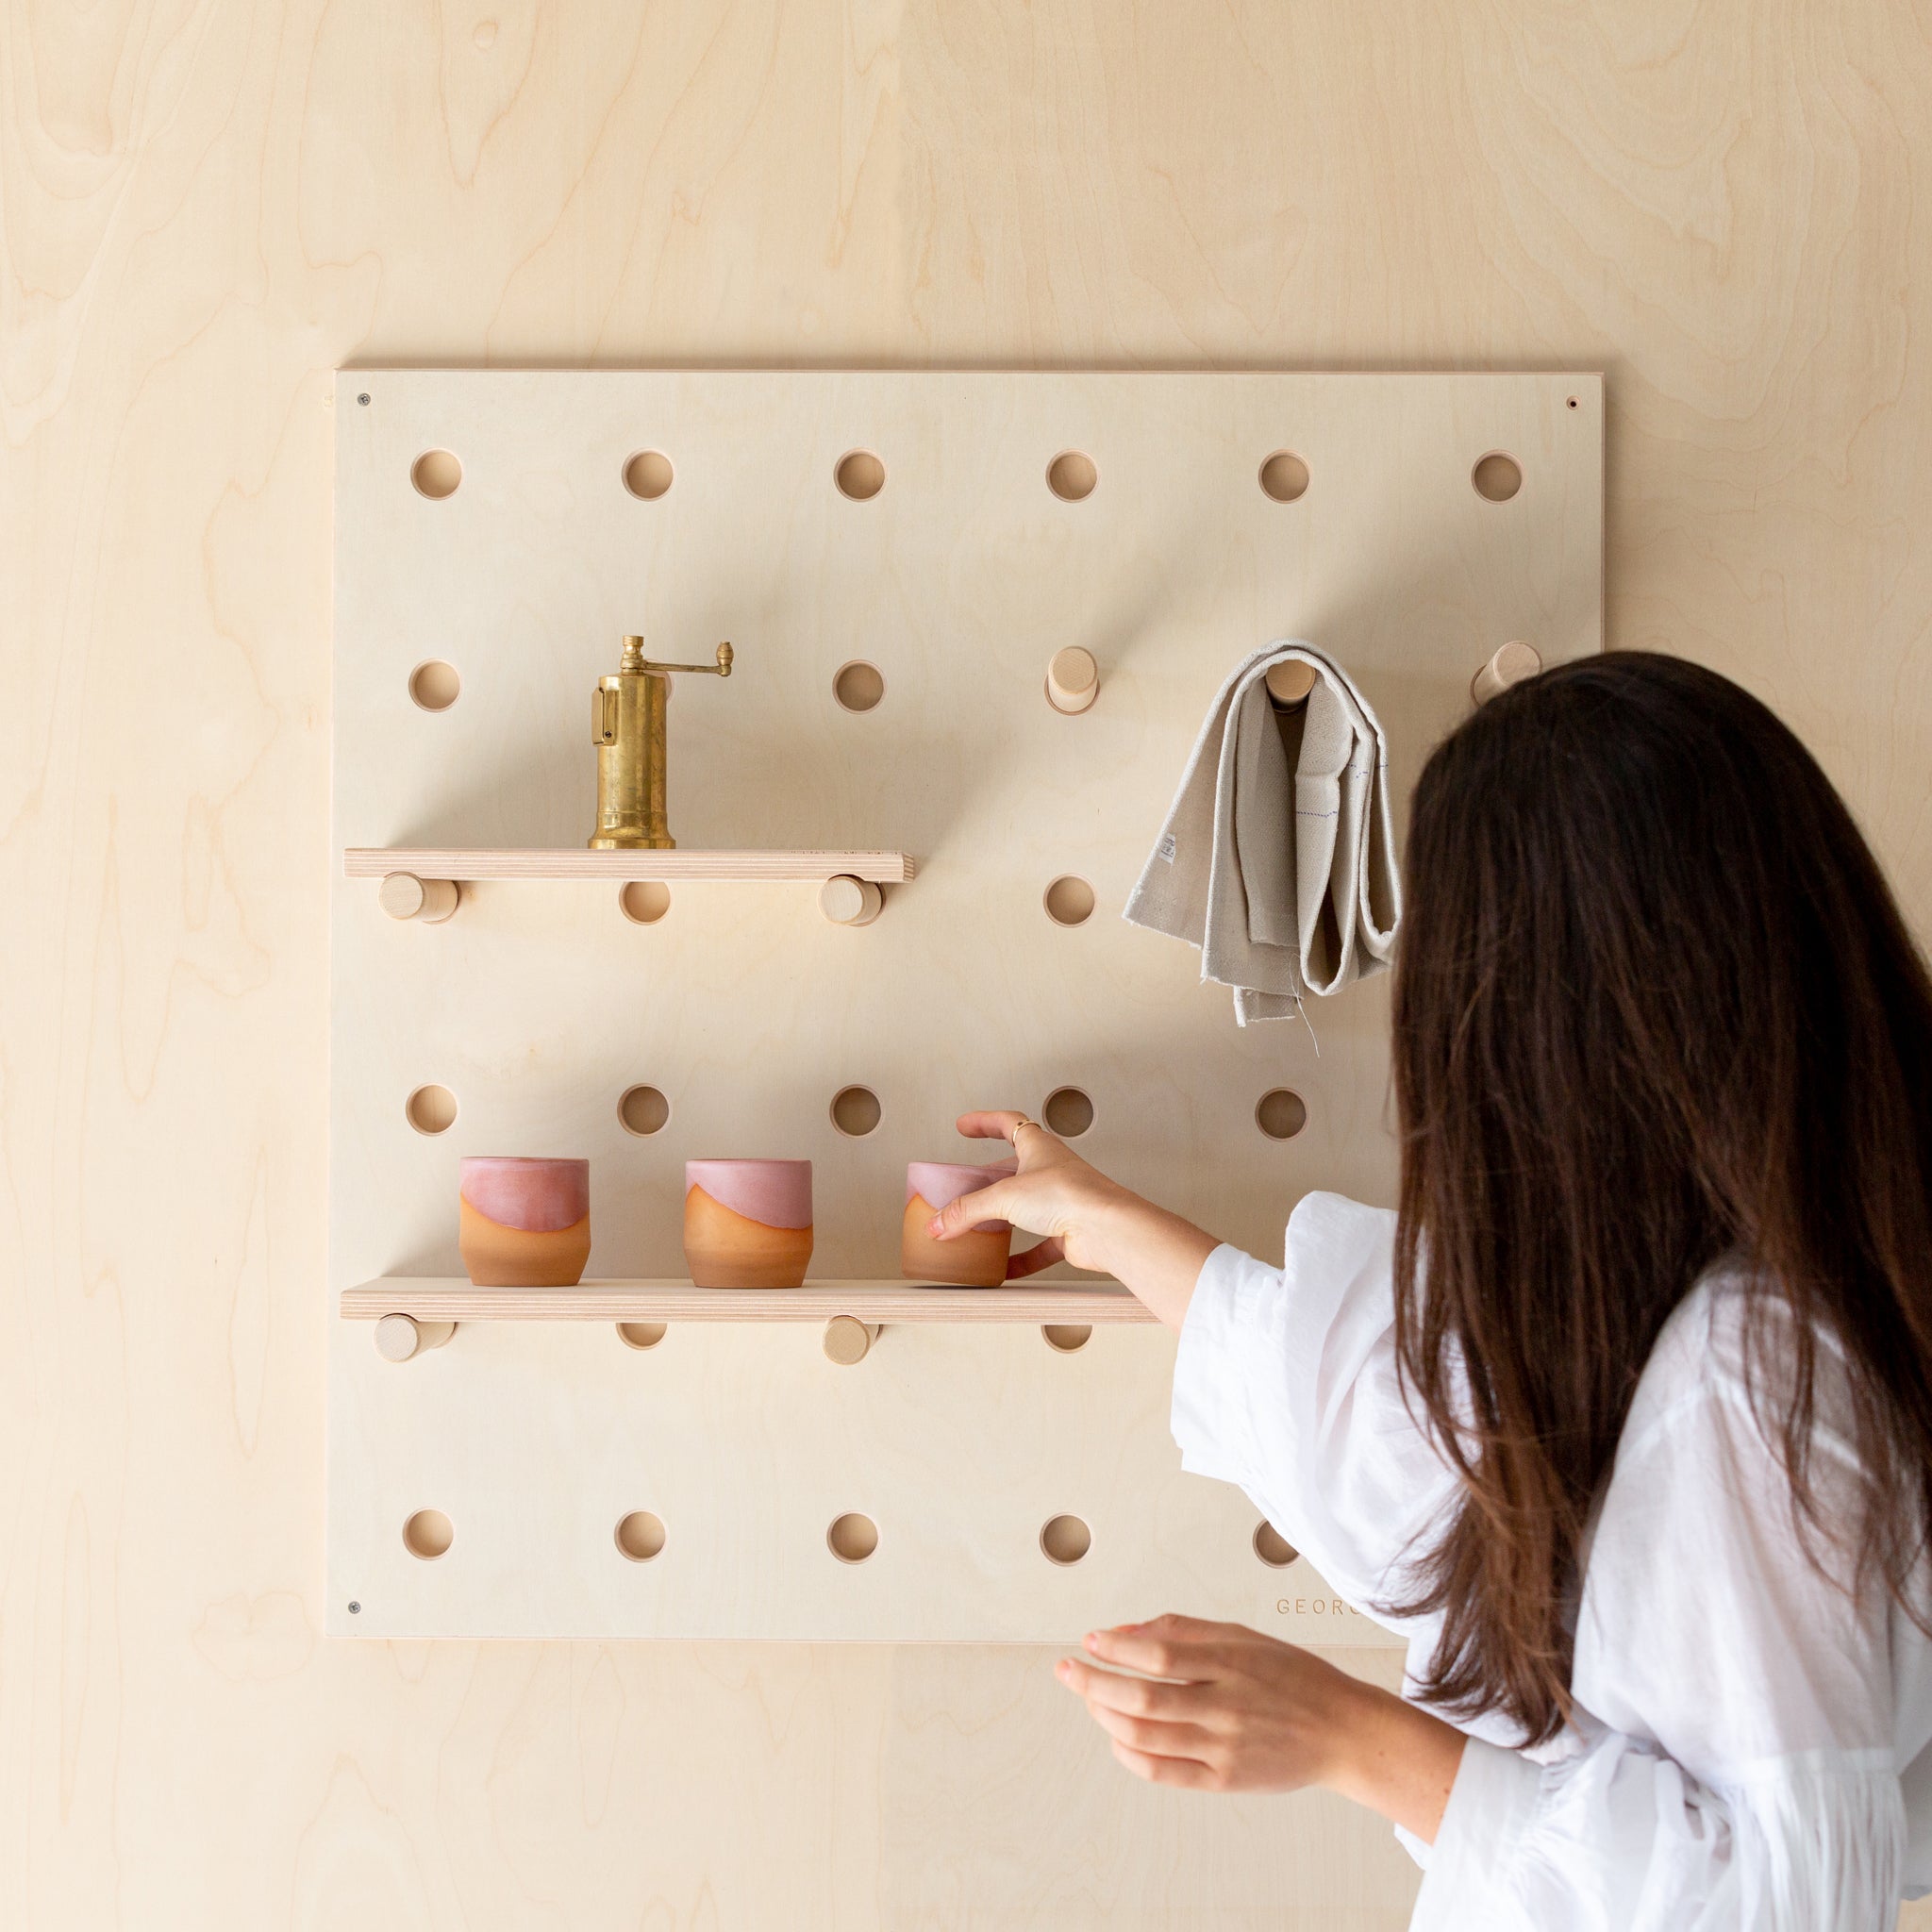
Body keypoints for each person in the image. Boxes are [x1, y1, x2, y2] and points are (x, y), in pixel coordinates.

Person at [927, 654, 1932, 1929]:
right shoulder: (1772, 1297)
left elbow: (1785, 1900)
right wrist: (1108, 1226)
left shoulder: (1750, 1375)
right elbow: (1447, 1451)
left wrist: (1354, 1739)